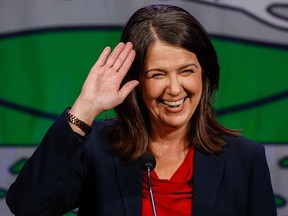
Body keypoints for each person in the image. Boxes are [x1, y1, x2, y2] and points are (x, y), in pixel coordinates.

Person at [6, 4, 277, 216]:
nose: (174, 88)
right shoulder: (98, 149)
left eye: (186, 71)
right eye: (158, 74)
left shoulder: (245, 158)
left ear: (204, 75)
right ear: (136, 82)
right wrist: (85, 108)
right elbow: (28, 208)